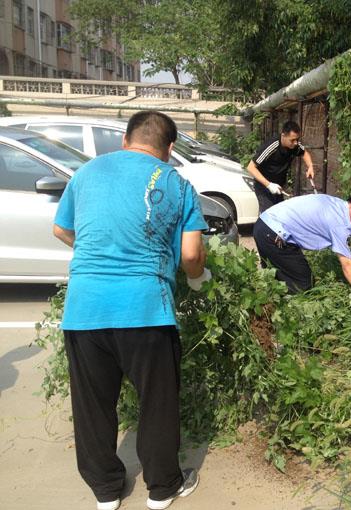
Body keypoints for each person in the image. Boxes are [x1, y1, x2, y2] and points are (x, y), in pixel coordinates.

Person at [53, 111, 211, 510]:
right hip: (146, 310)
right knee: (157, 401)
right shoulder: (177, 183)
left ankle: (106, 491)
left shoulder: (86, 173)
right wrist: (198, 277)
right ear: (169, 148)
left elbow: (61, 228)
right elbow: (191, 255)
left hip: (85, 310)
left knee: (92, 406)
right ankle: (162, 489)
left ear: (125, 140)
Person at [253, 191, 351, 295]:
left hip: (264, 224)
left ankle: (265, 301)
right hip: (273, 234)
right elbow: (347, 264)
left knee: (273, 275)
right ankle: (280, 306)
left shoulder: (336, 204)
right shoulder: (340, 223)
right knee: (303, 285)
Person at [247, 120, 315, 213]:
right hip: (264, 185)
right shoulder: (272, 146)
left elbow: (304, 153)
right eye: (292, 140)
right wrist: (269, 185)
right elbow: (251, 167)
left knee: (280, 213)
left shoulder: (295, 146)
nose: (295, 143)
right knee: (269, 214)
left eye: (297, 139)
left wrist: (310, 166)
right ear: (283, 136)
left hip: (279, 187)